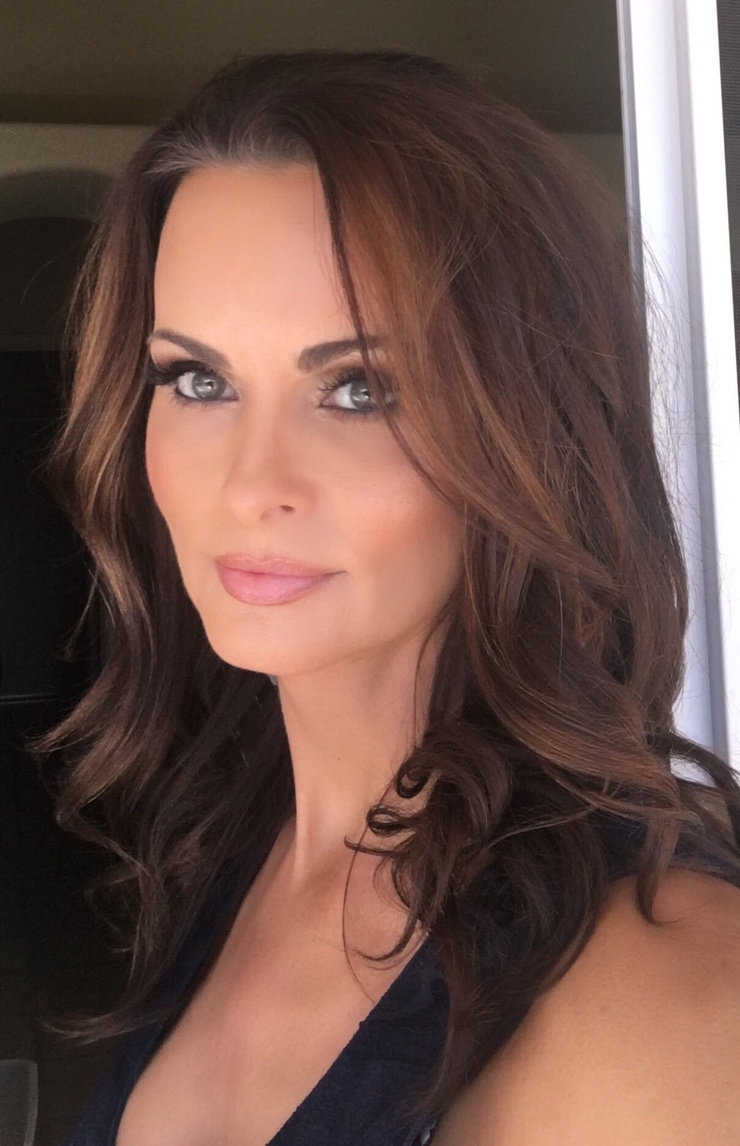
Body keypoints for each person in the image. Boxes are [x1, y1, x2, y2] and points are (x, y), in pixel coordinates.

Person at [39, 50, 740, 1146]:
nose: (249, 485)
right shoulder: (238, 846)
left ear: (530, 432)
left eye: (358, 389)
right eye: (198, 380)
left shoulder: (664, 994)